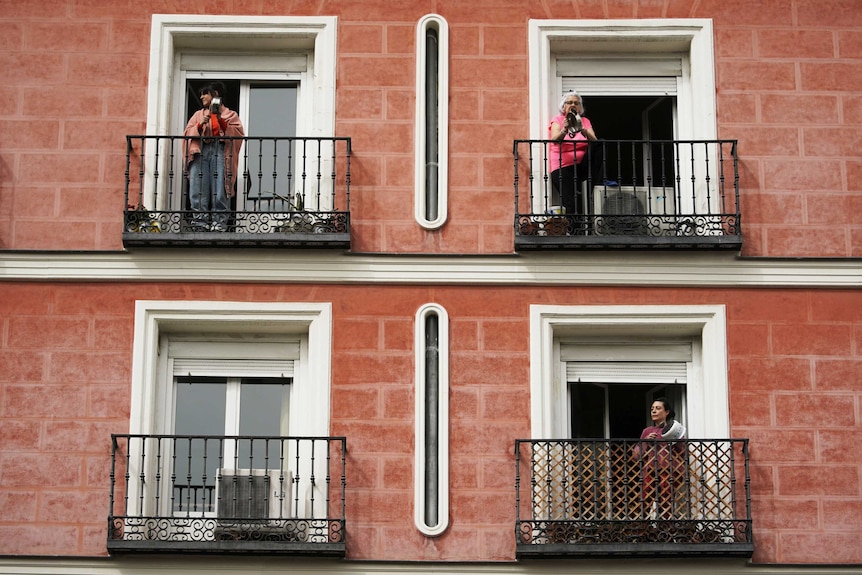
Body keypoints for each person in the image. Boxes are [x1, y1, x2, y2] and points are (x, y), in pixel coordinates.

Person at [183, 82, 244, 231]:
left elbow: (237, 134)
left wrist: (220, 120)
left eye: (205, 93)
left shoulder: (230, 114)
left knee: (219, 188)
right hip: (200, 151)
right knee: (198, 189)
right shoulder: (198, 115)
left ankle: (219, 223)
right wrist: (199, 126)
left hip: (220, 150)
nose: (202, 97)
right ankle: (200, 223)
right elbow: (187, 134)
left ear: (215, 94)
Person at [547, 91, 602, 227]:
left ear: (580, 107)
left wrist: (583, 130)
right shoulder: (558, 120)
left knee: (600, 144)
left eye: (576, 103)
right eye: (570, 102)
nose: (573, 105)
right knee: (571, 201)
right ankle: (574, 232)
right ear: (564, 106)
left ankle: (599, 178)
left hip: (582, 165)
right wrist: (564, 130)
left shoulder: (585, 121)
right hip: (563, 166)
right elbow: (554, 140)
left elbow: (594, 140)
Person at [632, 398, 687, 520]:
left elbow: (683, 452)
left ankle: (665, 530)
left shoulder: (674, 429)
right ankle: (644, 529)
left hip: (669, 471)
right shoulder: (647, 431)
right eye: (652, 409)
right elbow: (636, 455)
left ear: (666, 412)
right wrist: (645, 441)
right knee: (645, 500)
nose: (654, 411)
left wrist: (672, 440)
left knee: (666, 501)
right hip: (650, 471)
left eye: (658, 408)